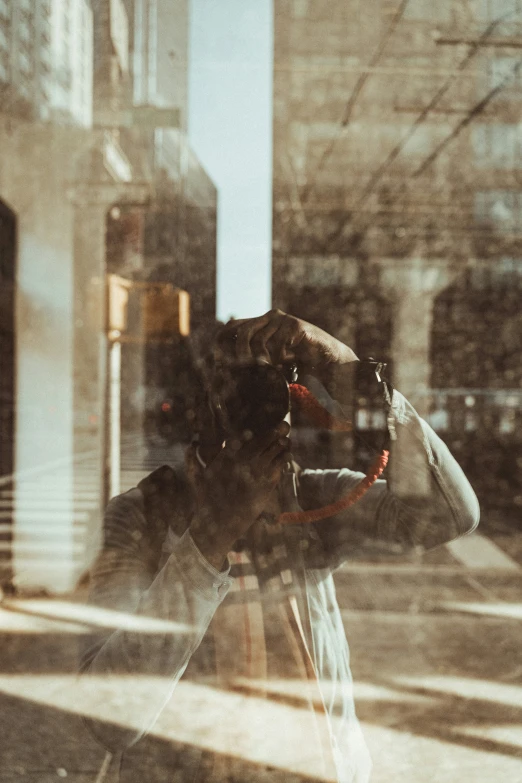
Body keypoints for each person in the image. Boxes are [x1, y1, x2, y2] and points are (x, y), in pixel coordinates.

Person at [80, 309, 480, 783]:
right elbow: (109, 719)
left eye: (266, 392)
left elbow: (451, 516)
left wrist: (349, 374)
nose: (254, 410)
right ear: (197, 409)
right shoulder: (146, 512)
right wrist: (212, 535)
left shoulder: (312, 499)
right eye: (234, 390)